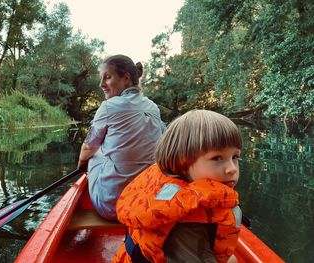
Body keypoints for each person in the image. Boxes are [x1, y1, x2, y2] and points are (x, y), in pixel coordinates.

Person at [113, 110, 243, 263]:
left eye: (235, 157)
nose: (232, 168)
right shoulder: (186, 221)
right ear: (182, 163)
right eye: (217, 158)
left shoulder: (166, 188)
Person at [77, 54, 166, 221]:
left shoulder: (108, 106)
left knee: (95, 152)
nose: (101, 84)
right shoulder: (153, 107)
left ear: (126, 78)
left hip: (112, 208)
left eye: (107, 77)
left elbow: (88, 148)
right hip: (145, 204)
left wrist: (81, 166)